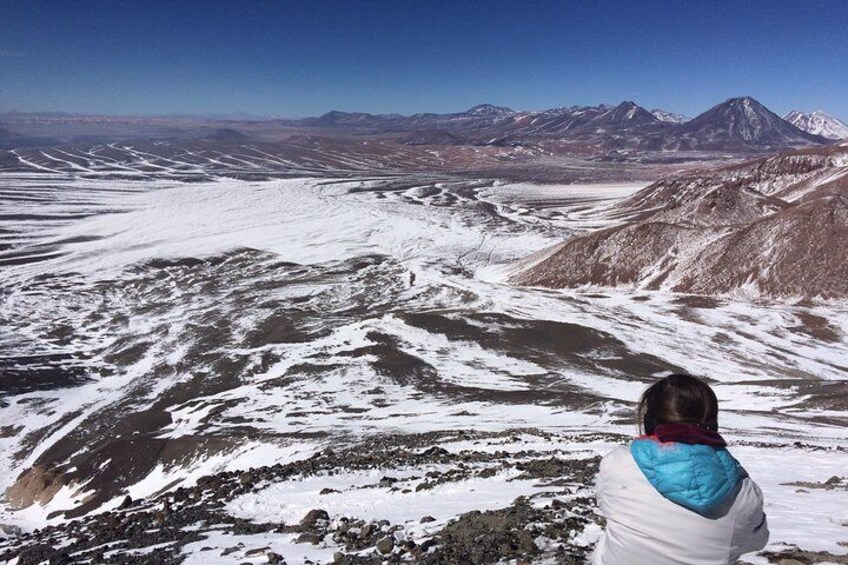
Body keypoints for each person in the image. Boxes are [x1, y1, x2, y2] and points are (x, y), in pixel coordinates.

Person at [591, 374, 769, 565]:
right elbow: (757, 541)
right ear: (712, 424)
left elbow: (604, 504)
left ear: (650, 421)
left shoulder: (618, 464)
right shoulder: (744, 493)